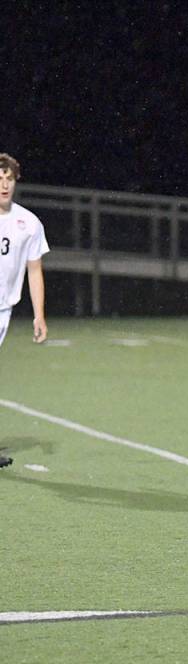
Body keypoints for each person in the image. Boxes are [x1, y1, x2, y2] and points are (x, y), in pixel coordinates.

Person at [0, 153, 49, 470]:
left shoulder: (29, 223)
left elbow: (34, 270)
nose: (3, 184)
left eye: (9, 178)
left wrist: (39, 315)